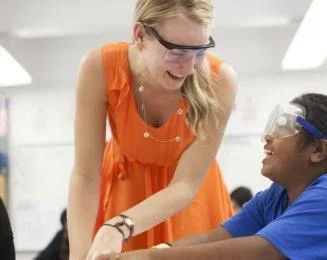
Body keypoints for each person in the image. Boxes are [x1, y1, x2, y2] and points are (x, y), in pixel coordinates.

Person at [98, 93, 327, 259]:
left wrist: (145, 259)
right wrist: (152, 252)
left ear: (318, 150)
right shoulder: (278, 196)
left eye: (284, 127)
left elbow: (257, 253)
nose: (268, 136)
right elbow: (214, 239)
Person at [67, 0, 238, 259]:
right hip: (126, 193)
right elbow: (86, 175)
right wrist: (77, 255)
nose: (190, 68)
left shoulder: (220, 80)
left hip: (191, 201)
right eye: (177, 52)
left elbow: (185, 185)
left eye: (200, 51)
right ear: (140, 35)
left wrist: (120, 225)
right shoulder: (99, 67)